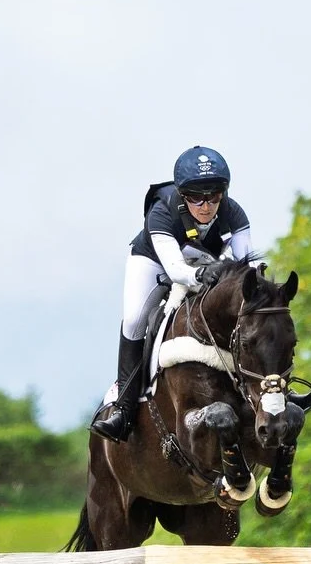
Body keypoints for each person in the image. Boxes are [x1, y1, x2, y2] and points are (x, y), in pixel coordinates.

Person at [90, 146, 253, 442]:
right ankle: (124, 409)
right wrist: (201, 274)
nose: (206, 206)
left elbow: (248, 263)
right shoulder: (162, 210)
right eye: (196, 197)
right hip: (155, 263)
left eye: (214, 196)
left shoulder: (233, 212)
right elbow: (176, 269)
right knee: (135, 319)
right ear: (182, 195)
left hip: (206, 265)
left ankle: (271, 393)